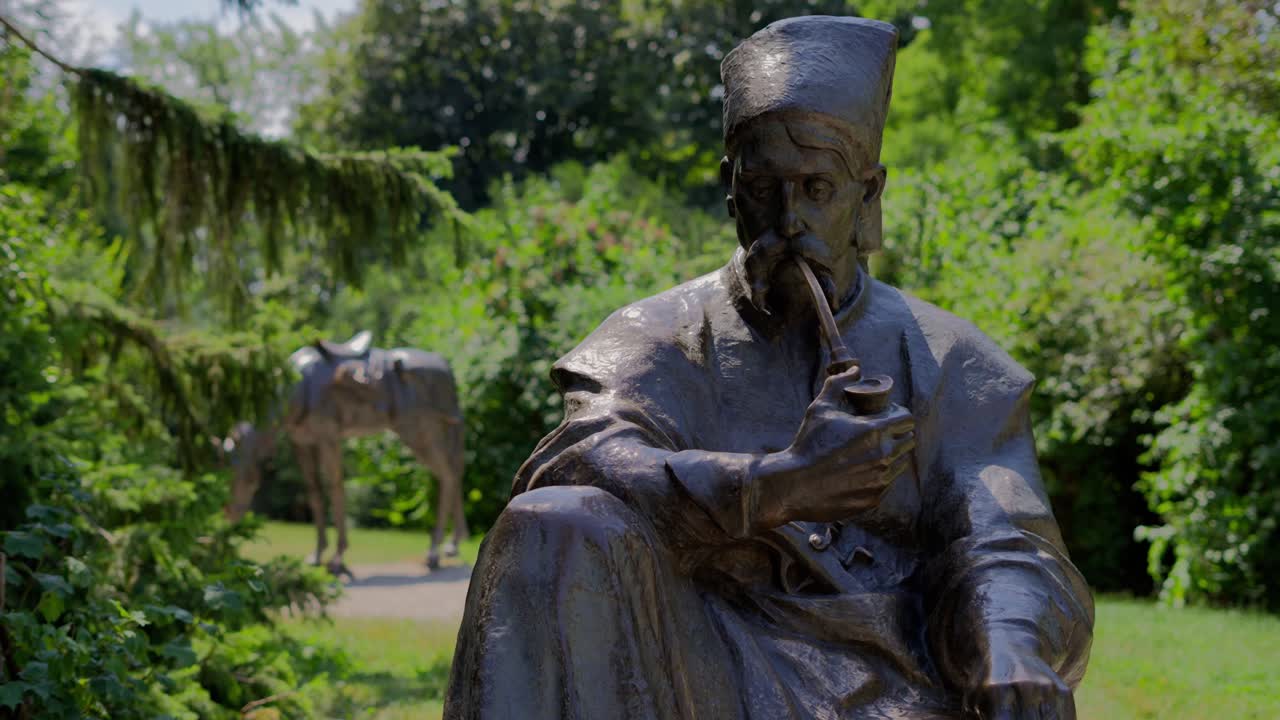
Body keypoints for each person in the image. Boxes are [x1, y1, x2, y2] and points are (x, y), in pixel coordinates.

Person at [445, 15, 1092, 720]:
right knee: (553, 521)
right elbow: (568, 468)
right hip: (696, 657)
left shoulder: (950, 358)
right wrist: (778, 485)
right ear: (730, 188)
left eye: (818, 188)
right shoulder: (657, 337)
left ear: (868, 197)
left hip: (897, 673)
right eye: (765, 188)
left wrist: (1010, 645)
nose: (789, 220)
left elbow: (1005, 543)